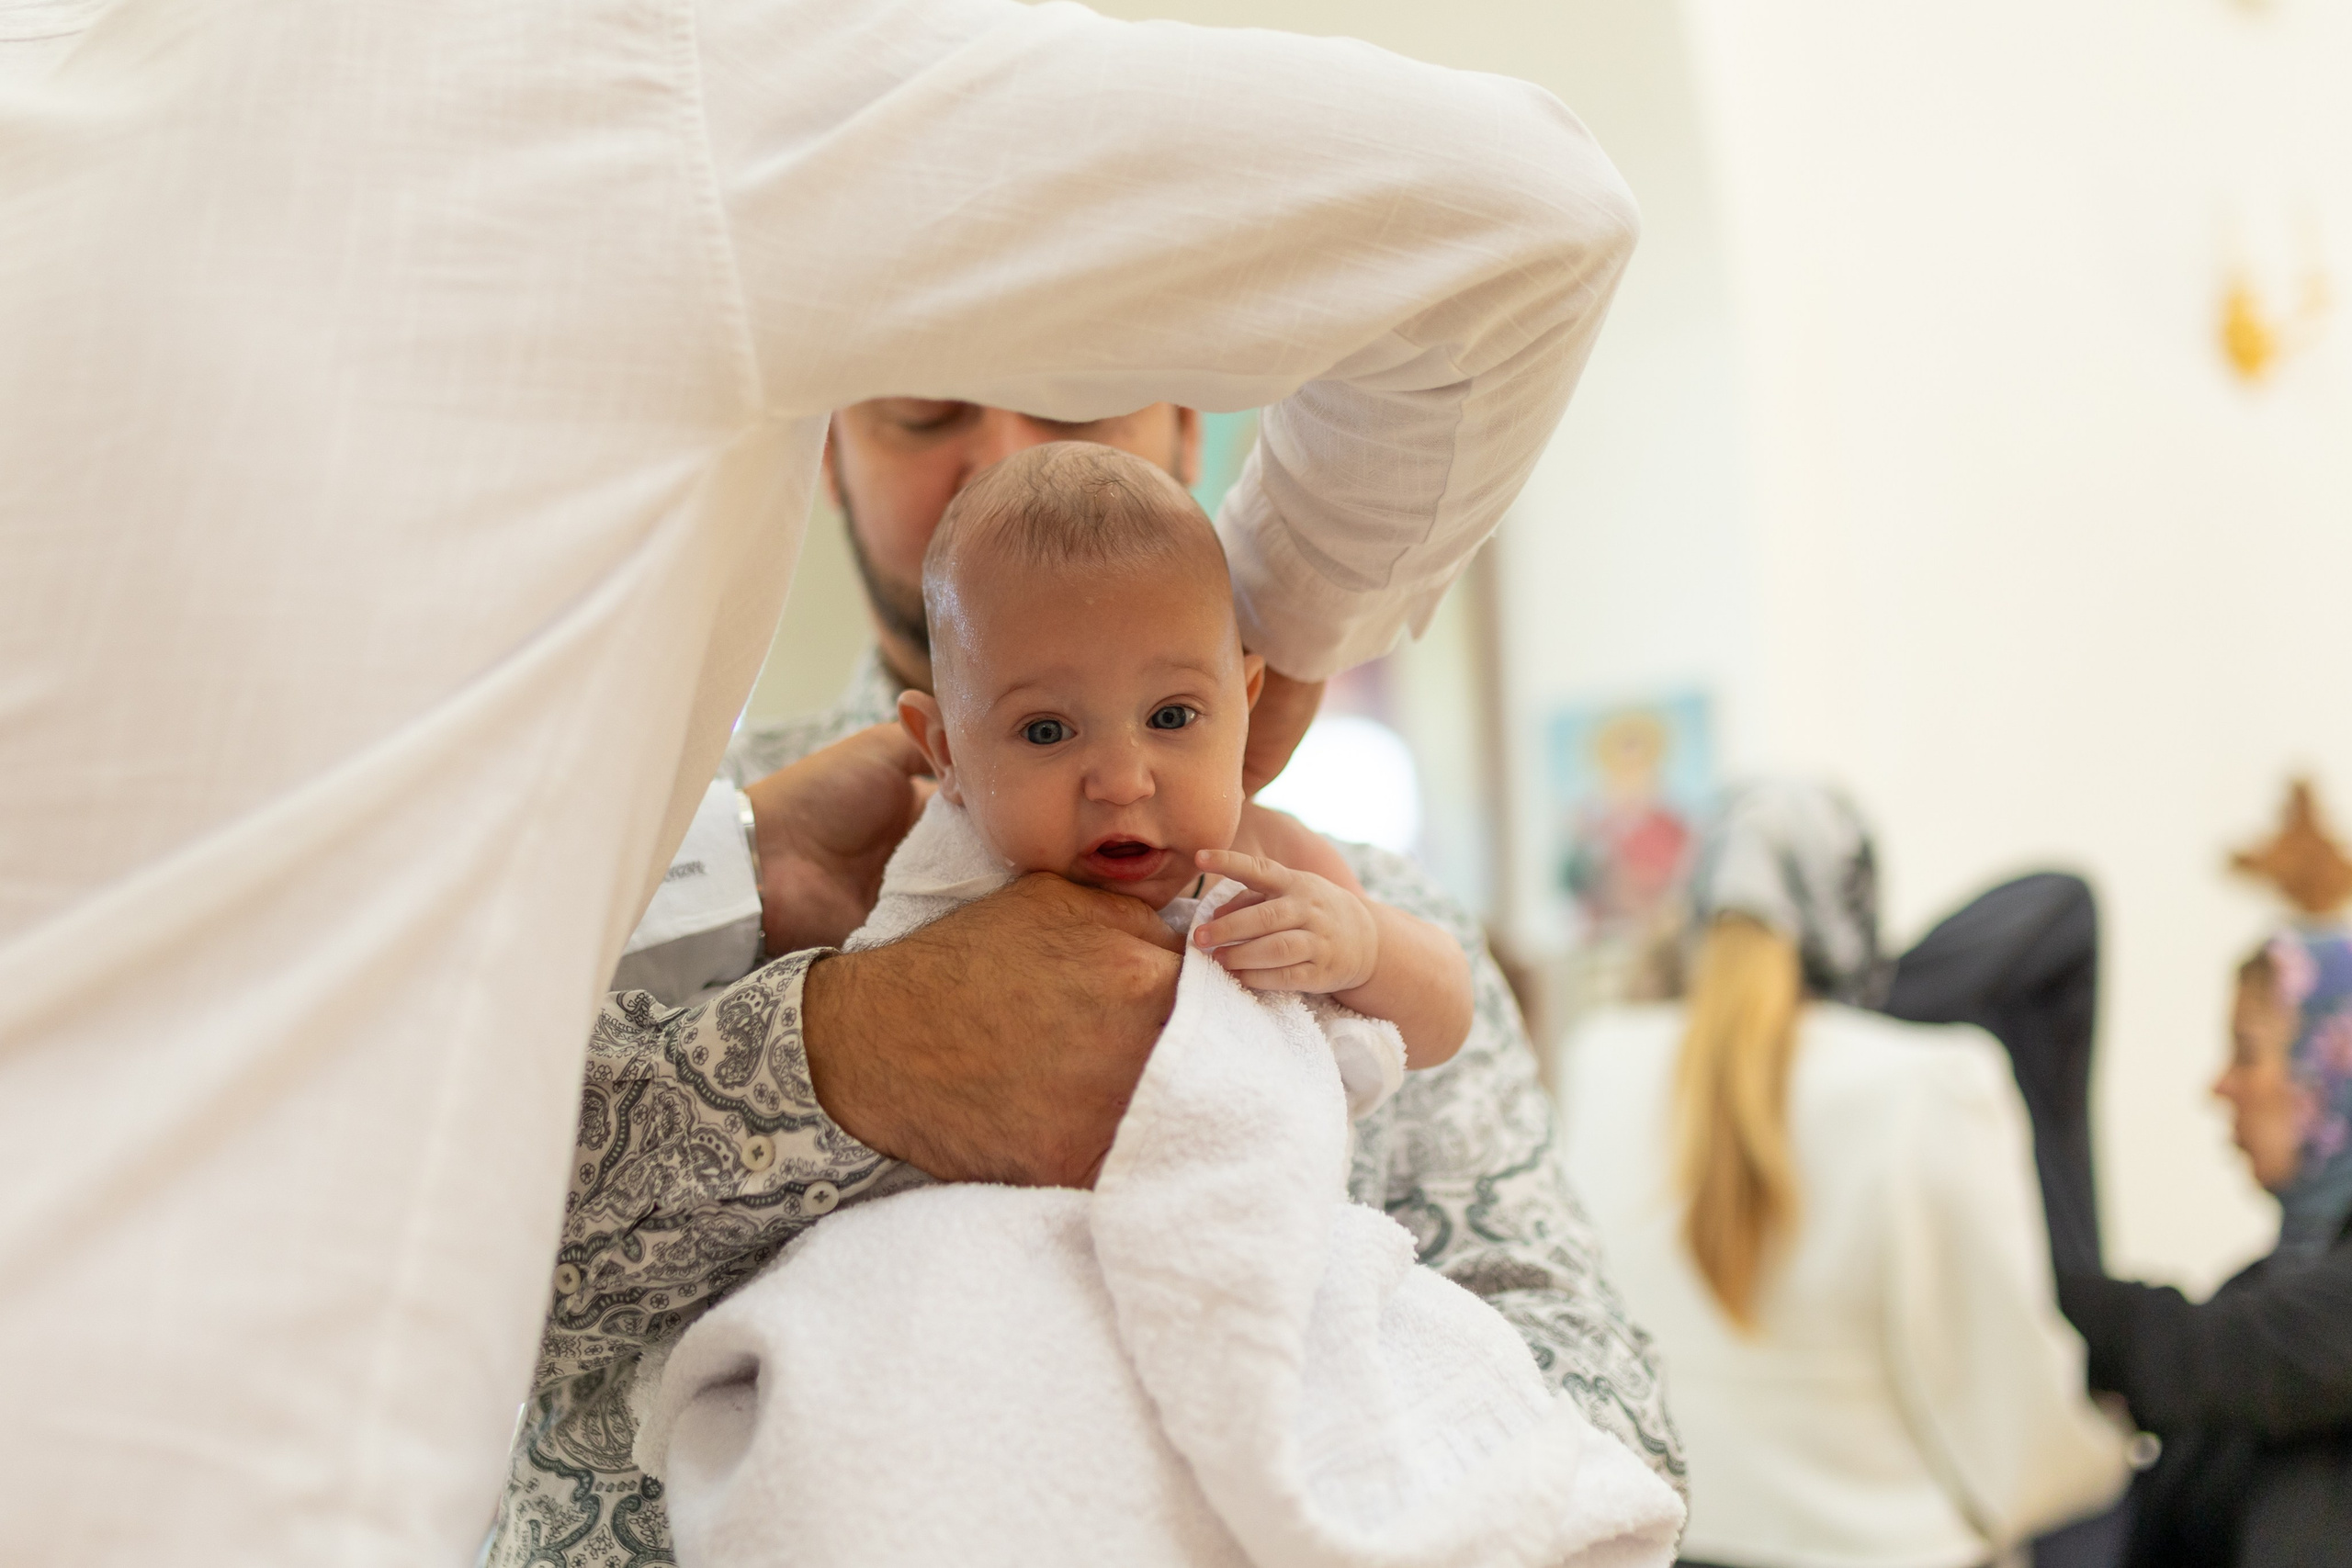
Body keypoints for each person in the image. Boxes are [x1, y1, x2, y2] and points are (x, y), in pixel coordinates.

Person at [1, 2, 1644, 1556]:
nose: (1001, 457)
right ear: (825, 435)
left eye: (1074, 391)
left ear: (1199, 416)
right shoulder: (674, 880)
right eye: (922, 402)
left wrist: (1257, 679)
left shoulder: (1331, 879)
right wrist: (837, 1052)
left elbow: (1590, 1396)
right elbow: (481, 1237)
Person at [490, 417, 1685, 1562]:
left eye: (1174, 715)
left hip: (1238, 1251)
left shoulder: (1286, 854)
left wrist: (1356, 940)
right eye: (1047, 729)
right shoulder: (753, 844)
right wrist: (801, 966)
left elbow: (1444, 1012)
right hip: (944, 1326)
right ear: (943, 748)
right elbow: (457, 1211)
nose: (1122, 777)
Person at [1558, 781, 2126, 1568]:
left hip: (1664, 1543)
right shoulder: (1931, 1080)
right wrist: (2103, 1456)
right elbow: (1999, 1399)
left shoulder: (1604, 1060)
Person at [2055, 929, 2352, 1568]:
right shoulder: (2262, 1284)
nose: (2220, 1086)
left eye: (2247, 1053)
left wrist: (2021, 1275)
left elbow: (2198, 1354)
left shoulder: (2302, 1312)